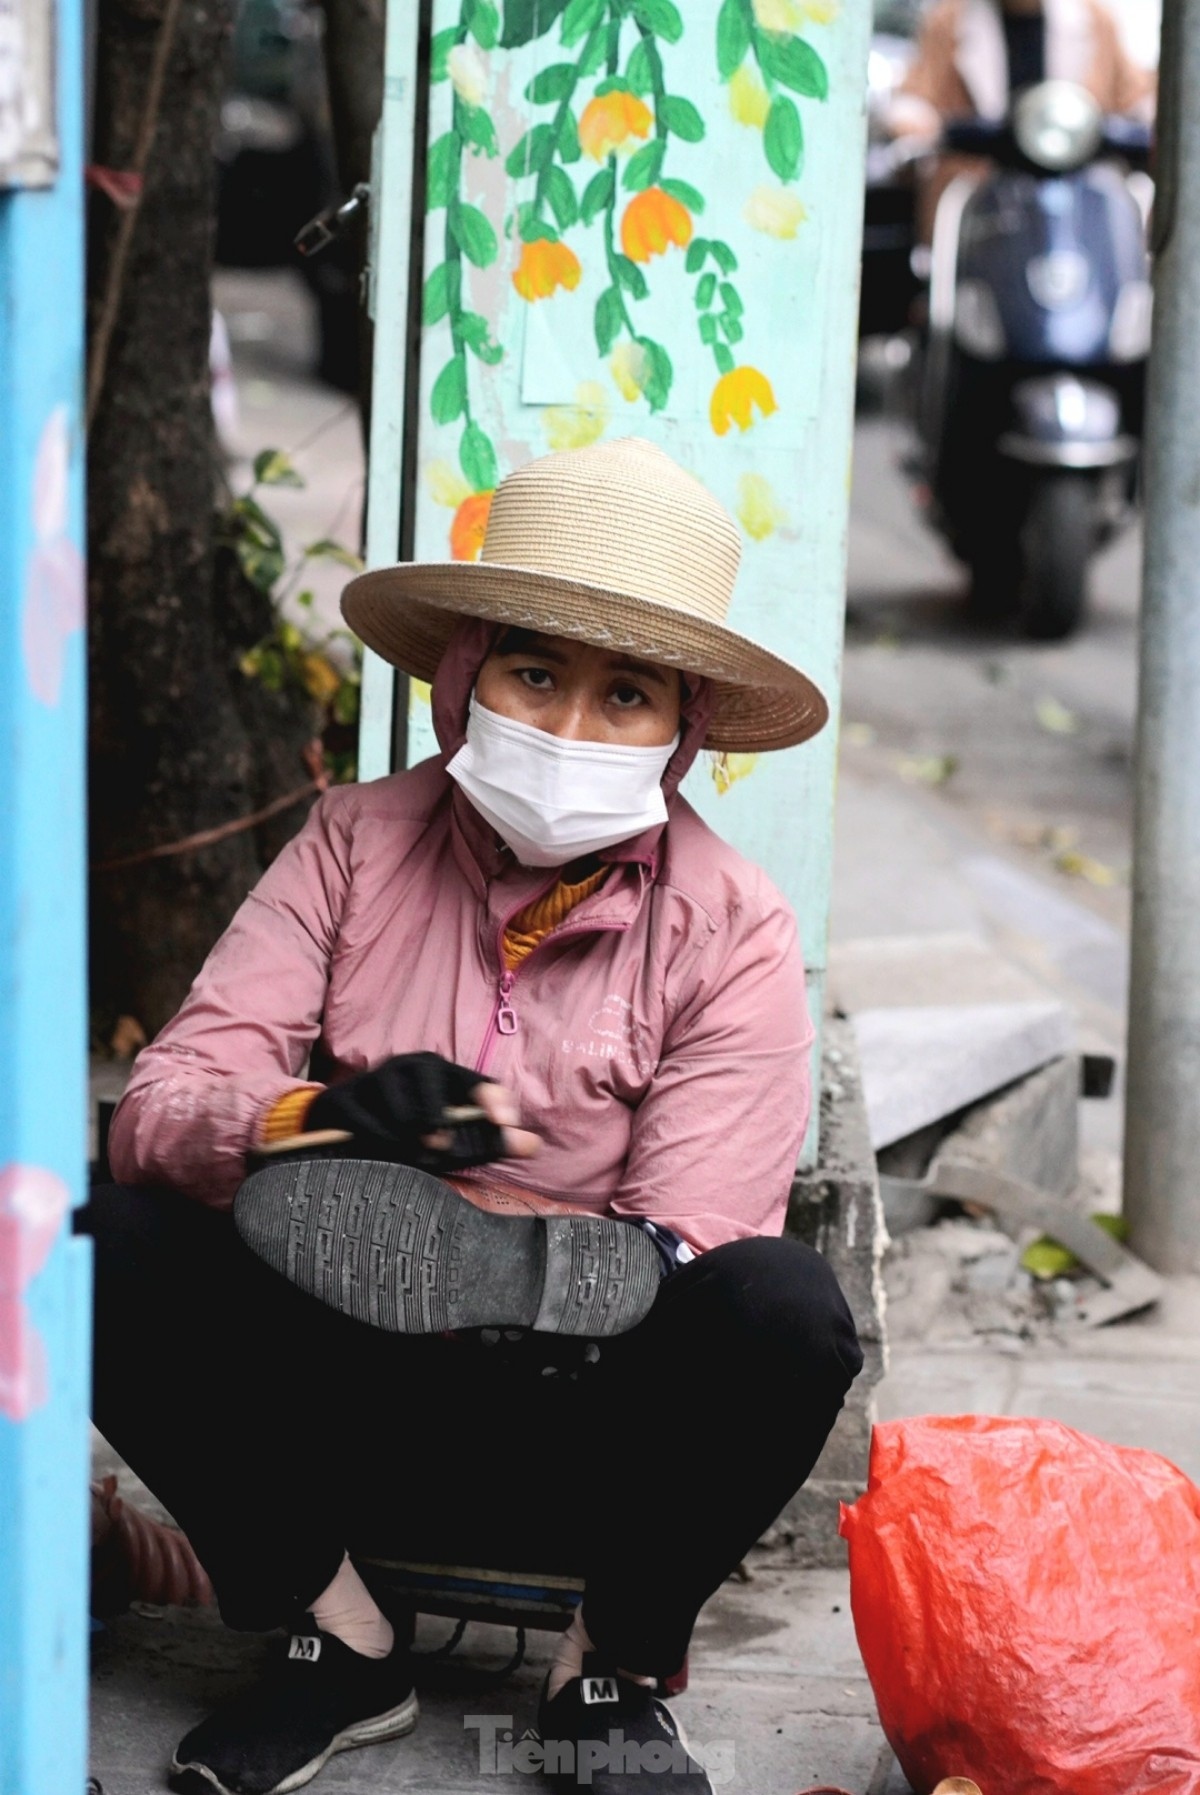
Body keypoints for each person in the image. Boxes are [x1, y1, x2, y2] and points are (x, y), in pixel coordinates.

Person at [83, 436, 863, 1795]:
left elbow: (695, 1234)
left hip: (575, 1425)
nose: (567, 728)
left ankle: (606, 1669)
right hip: (333, 1394)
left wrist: (488, 1249)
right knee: (98, 1234)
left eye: (625, 693)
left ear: (681, 728)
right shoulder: (352, 841)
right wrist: (321, 1121)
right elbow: (156, 1113)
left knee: (785, 1306)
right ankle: (339, 1641)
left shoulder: (730, 924)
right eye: (535, 672)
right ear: (465, 677)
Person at [888, 0, 1154, 141]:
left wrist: (1153, 114)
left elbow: (1133, 95)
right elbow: (914, 97)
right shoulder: (948, 21)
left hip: (1076, 191)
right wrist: (914, 118)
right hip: (977, 195)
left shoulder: (1095, 19)